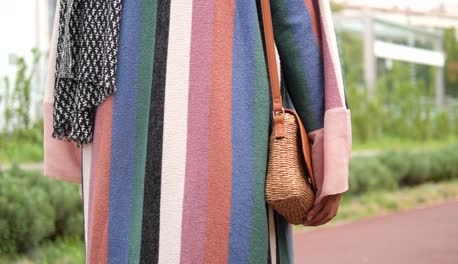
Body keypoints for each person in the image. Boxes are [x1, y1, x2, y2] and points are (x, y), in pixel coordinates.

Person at [42, 0, 351, 263]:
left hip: (117, 126)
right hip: (229, 121)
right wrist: (327, 146)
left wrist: (66, 128)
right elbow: (295, 18)